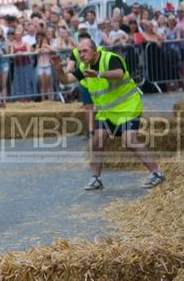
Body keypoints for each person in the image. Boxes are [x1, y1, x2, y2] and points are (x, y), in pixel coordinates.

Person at [51, 38, 165, 189]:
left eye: (85, 51)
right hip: (107, 112)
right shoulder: (84, 67)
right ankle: (95, 179)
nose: (82, 55)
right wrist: (59, 69)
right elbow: (66, 80)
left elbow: (119, 73)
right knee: (97, 140)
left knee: (129, 139)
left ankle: (156, 173)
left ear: (95, 51)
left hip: (127, 107)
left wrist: (98, 74)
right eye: (79, 52)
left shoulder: (110, 58)